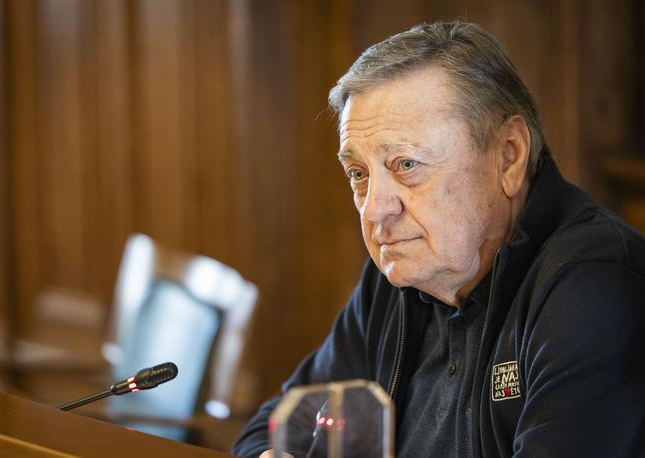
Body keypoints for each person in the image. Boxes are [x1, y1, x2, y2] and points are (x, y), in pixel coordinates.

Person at [233, 21, 645, 458]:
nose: (375, 210)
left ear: (509, 155)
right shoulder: (397, 279)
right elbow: (275, 425)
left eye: (406, 165)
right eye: (358, 174)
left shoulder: (594, 291)